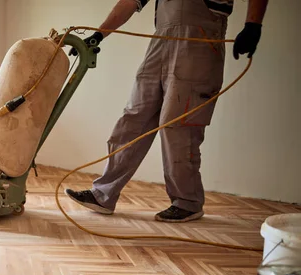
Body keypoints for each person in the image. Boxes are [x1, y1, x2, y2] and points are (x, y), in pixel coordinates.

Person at [65, 0, 268, 222]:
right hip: (161, 40)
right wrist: (100, 34)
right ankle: (103, 194)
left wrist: (253, 25)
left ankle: (187, 202)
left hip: (198, 41)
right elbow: (130, 1)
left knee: (179, 124)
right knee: (133, 118)